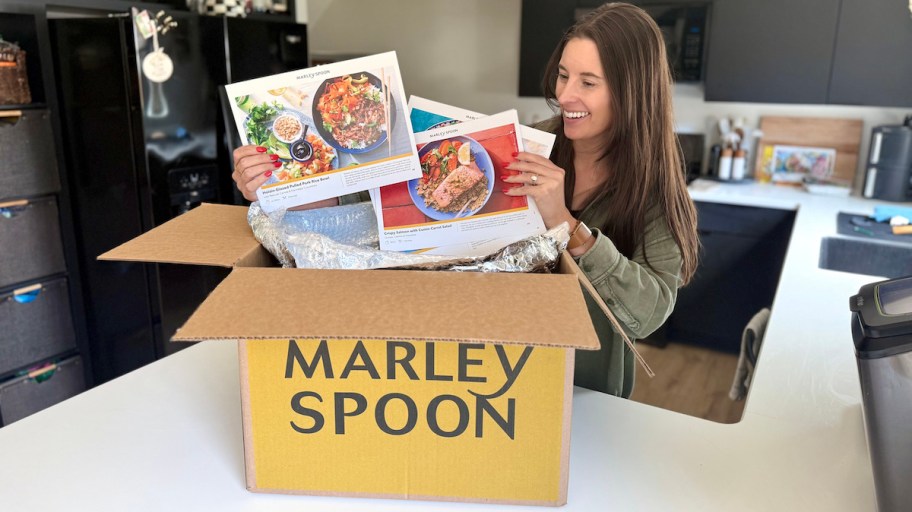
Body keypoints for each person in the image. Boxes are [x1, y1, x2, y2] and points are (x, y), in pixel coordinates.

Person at [232, 2, 698, 398]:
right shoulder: (524, 145)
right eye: (562, 75)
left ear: (632, 90)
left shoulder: (656, 189)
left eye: (588, 82)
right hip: (499, 375)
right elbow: (374, 199)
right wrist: (284, 189)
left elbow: (649, 312)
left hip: (587, 389)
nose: (564, 95)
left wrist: (567, 224)